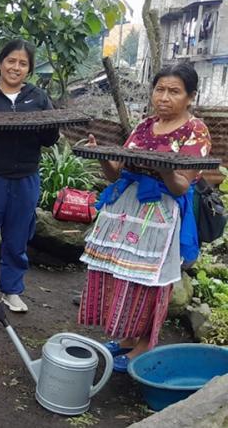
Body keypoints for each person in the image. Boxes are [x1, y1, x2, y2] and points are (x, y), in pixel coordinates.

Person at [78, 62, 210, 372]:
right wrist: (102, 157)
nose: (164, 97)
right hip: (128, 211)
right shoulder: (143, 126)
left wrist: (165, 169)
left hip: (162, 215)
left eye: (174, 91)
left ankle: (143, 346)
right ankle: (127, 339)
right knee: (124, 274)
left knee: (152, 281)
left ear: (190, 97)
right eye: (160, 89)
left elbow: (182, 185)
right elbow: (117, 174)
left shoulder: (196, 131)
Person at [0, 39, 59, 318]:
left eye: (23, 63)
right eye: (11, 61)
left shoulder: (38, 98)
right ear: (0, 63)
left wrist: (48, 124)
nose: (15, 67)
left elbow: (50, 138)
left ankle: (12, 290)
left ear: (28, 69)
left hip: (26, 176)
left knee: (18, 236)